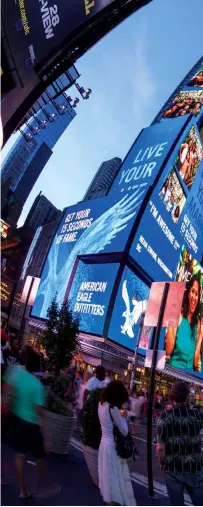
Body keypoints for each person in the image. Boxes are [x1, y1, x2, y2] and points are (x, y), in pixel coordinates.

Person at [2, 346, 49, 499]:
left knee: (19, 454)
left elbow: (6, 391)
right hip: (32, 425)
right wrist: (47, 436)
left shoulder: (16, 373)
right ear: (37, 367)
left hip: (16, 419)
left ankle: (22, 490)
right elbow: (40, 412)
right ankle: (40, 486)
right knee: (39, 455)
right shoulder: (37, 385)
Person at [156, 381, 203, 506]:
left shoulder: (165, 417)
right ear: (187, 397)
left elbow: (160, 448)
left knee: (177, 503)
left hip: (173, 468)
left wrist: (162, 462)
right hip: (194, 467)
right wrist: (199, 393)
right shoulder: (196, 415)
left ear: (172, 396)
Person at [98, 380, 136, 506]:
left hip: (103, 444)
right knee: (115, 477)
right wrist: (124, 416)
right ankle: (114, 502)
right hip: (112, 448)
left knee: (107, 476)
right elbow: (124, 431)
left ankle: (109, 500)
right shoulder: (113, 408)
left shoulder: (101, 404)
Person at [165, 274, 203, 371]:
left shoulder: (197, 324)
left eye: (197, 294)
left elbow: (194, 362)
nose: (194, 297)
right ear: (188, 293)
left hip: (187, 378)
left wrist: (201, 337)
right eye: (192, 292)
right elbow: (168, 351)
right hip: (173, 373)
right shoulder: (179, 315)